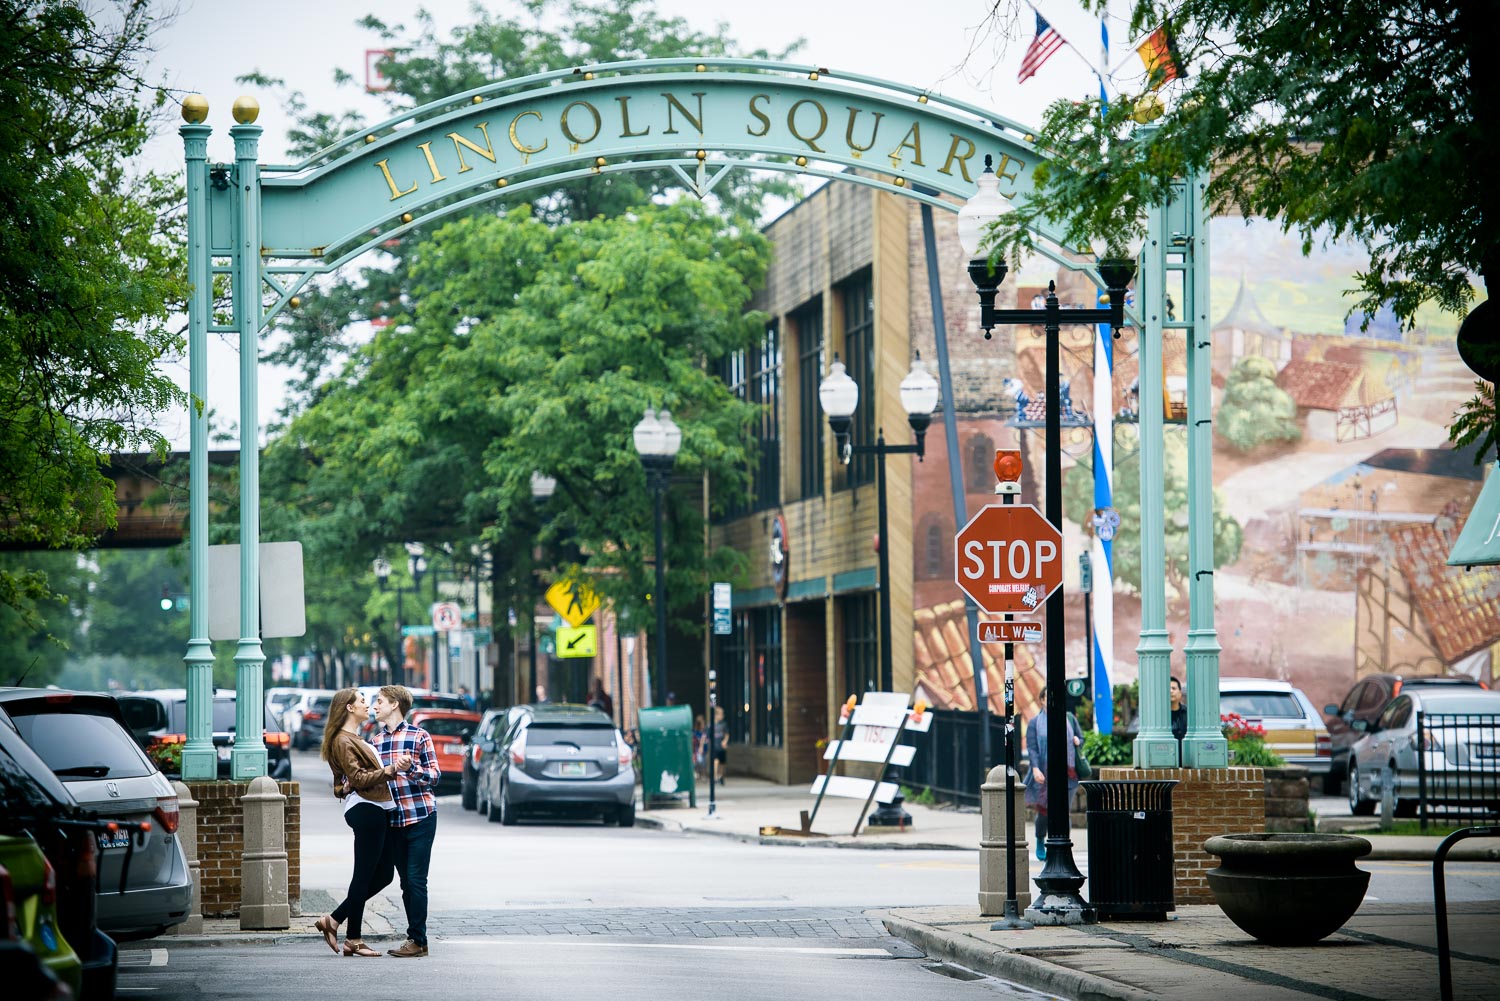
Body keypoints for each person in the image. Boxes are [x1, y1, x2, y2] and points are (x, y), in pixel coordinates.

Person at [316, 687, 403, 958]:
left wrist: (345, 786)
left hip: (376, 808)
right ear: (350, 708)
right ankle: (353, 937)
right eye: (363, 701)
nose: (368, 706)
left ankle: (333, 920)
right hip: (367, 810)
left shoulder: (352, 738)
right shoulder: (343, 741)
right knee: (363, 875)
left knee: (384, 874)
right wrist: (389, 770)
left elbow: (341, 784)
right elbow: (357, 779)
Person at [372, 685, 440, 958]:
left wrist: (410, 768)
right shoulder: (375, 742)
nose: (375, 706)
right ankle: (417, 941)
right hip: (394, 821)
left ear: (394, 704)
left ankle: (417, 939)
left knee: (415, 880)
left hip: (421, 816)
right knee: (404, 883)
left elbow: (435, 777)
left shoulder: (419, 736)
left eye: (379, 702)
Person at [1024, 688, 1082, 862]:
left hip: (1067, 771)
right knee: (1044, 811)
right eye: (1047, 697)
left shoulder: (1069, 718)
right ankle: (1040, 839)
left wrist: (1078, 741)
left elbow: (1080, 737)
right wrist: (1035, 768)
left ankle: (1064, 844)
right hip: (1045, 771)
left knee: (1064, 811)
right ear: (1041, 700)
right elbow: (1032, 749)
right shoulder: (1035, 723)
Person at [711, 704, 728, 782]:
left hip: (721, 747)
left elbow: (727, 734)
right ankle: (715, 776)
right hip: (715, 746)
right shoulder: (711, 725)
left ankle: (721, 775)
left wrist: (725, 741)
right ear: (716, 715)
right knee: (716, 761)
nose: (722, 716)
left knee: (722, 763)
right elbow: (707, 735)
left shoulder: (723, 725)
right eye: (721, 714)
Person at [1170, 676, 1188, 745]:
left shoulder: (1188, 713)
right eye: (1167, 689)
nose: (1170, 691)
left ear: (1180, 692)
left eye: (1173, 688)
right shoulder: (1160, 715)